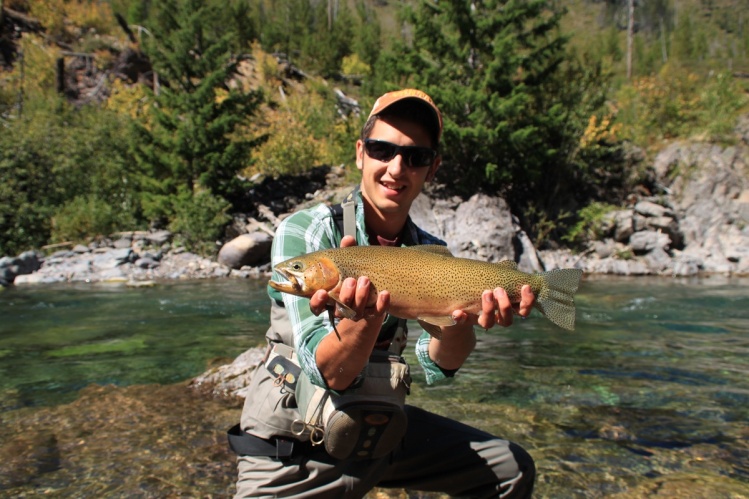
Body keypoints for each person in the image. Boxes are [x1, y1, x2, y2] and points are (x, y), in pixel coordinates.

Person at [233, 88, 537, 498]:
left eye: (416, 157)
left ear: (432, 169)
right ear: (360, 153)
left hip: (379, 438)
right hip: (295, 449)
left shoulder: (430, 252)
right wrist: (364, 319)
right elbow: (332, 373)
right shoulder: (307, 232)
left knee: (511, 470)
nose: (396, 168)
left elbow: (439, 366)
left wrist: (462, 320)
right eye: (382, 149)